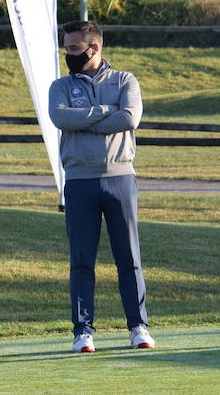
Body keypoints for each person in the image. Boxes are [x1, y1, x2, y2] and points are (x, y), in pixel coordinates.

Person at [47, 19, 153, 353]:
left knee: (129, 257)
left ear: (95, 48)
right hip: (79, 181)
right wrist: (105, 112)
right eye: (67, 49)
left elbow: (130, 118)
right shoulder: (60, 86)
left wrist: (86, 119)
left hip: (120, 178)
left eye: (75, 49)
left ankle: (138, 326)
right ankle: (83, 330)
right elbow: (62, 118)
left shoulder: (125, 80)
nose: (69, 55)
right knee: (81, 260)